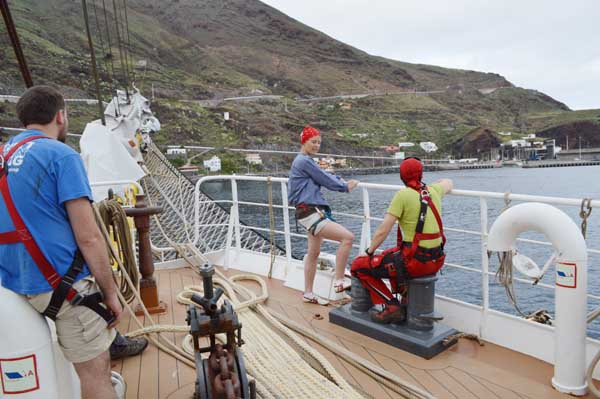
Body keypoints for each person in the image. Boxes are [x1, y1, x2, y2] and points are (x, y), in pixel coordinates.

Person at [0, 86, 123, 398]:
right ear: (60, 116)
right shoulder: (61, 155)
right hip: (63, 287)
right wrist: (111, 294)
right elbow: (89, 236)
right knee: (96, 373)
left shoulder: (2, 155)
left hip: (13, 284)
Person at [352, 157, 453, 323]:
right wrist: (437, 182)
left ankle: (392, 306)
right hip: (436, 260)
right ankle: (405, 300)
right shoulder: (433, 191)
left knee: (358, 266)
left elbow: (383, 230)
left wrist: (369, 252)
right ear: (421, 174)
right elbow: (448, 182)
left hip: (414, 264)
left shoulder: (402, 195)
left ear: (401, 176)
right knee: (390, 257)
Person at [288, 126, 359, 305]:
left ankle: (308, 293)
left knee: (313, 253)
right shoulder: (303, 161)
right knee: (347, 238)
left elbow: (322, 175)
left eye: (319, 142)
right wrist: (345, 186)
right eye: (313, 141)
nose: (317, 145)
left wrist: (337, 179)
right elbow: (323, 178)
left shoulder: (304, 161)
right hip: (310, 212)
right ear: (304, 141)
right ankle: (339, 281)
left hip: (306, 211)